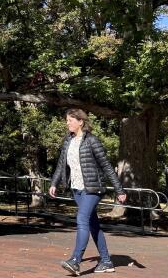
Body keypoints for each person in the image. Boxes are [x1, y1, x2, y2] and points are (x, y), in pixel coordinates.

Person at [49, 109, 127, 275]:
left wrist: (119, 190)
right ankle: (106, 261)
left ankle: (76, 260)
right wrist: (54, 183)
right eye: (67, 120)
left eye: (70, 120)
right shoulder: (67, 141)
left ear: (80, 122)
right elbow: (61, 164)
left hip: (93, 188)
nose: (67, 123)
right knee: (93, 225)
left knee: (82, 219)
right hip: (77, 189)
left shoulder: (92, 141)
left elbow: (106, 166)